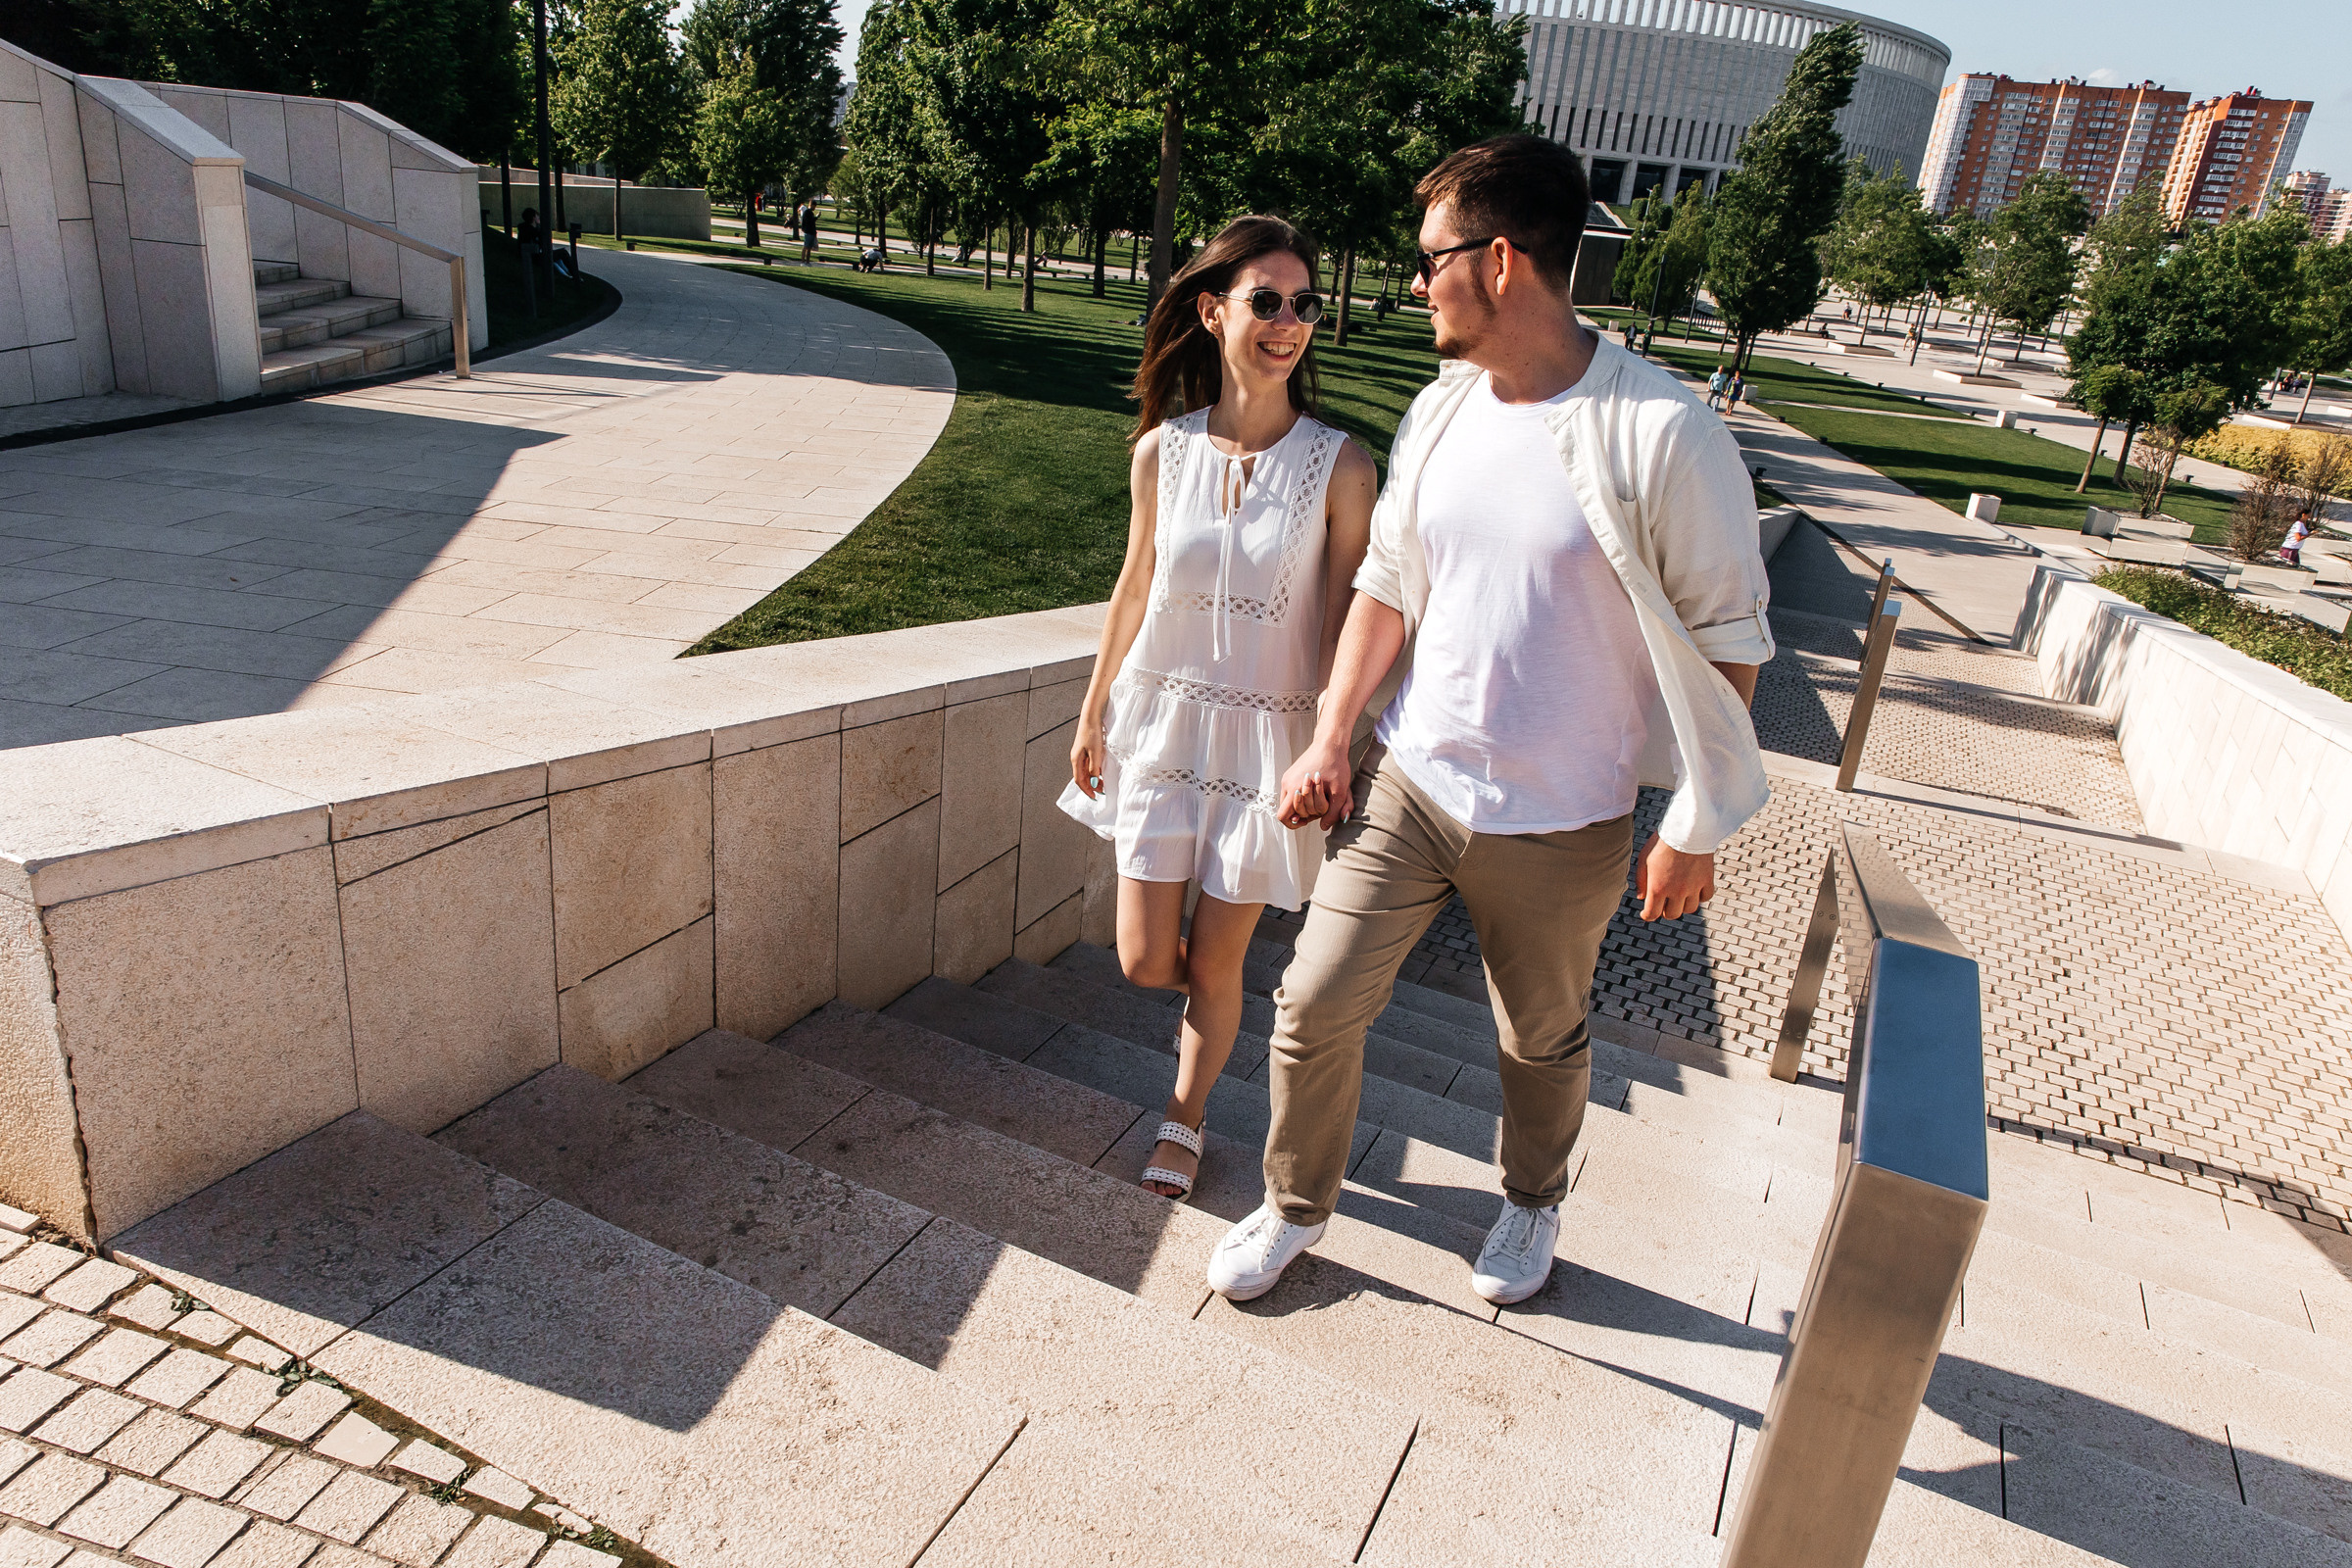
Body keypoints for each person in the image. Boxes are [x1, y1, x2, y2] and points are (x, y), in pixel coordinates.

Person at [1203, 134, 1773, 1306]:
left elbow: (1729, 642)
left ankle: (1531, 1201)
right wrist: (1330, 734)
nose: (1417, 284)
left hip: (1566, 818)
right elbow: (1390, 585)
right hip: (1417, 785)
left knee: (1540, 1040)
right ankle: (1295, 1202)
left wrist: (1697, 824)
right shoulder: (1443, 409)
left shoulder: (1661, 432)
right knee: (1312, 997)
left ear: (1501, 260)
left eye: (1431, 260)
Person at [1063, 216, 1378, 1203]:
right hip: (1159, 724)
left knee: (1220, 960)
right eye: (1267, 302)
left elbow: (1349, 615)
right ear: (1213, 311)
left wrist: (1338, 743)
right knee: (1147, 954)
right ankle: (1200, 1021)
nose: (1289, 323)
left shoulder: (1343, 465)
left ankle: (1184, 1120)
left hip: (1269, 739)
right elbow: (1132, 584)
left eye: (1304, 305)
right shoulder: (1162, 451)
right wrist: (1089, 714)